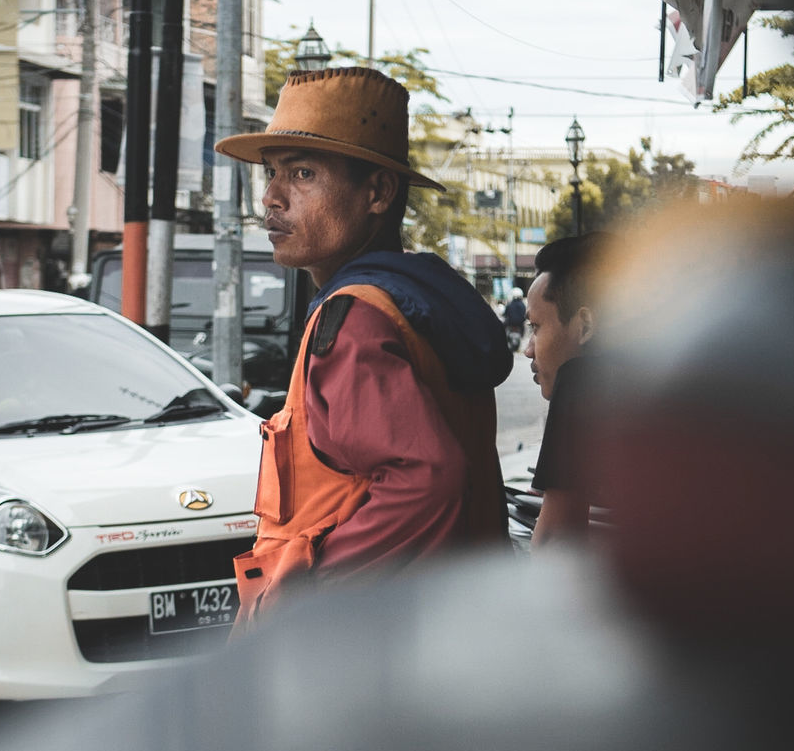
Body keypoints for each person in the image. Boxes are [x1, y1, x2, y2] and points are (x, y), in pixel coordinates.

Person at [214, 65, 512, 629]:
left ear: (376, 192)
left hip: (370, 640)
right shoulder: (415, 300)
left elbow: (428, 478)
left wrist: (313, 596)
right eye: (271, 172)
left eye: (302, 173)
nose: (272, 197)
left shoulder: (354, 319)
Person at [523, 233, 613, 546]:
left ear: (585, 326)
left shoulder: (583, 383)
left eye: (535, 327)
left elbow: (553, 542)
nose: (528, 349)